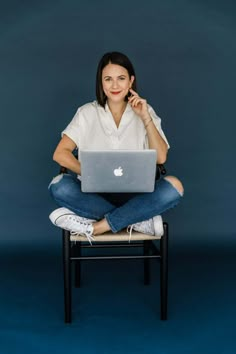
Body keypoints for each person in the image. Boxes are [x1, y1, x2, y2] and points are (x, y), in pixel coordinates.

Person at [48, 51, 184, 243]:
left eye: (121, 78)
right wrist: (90, 173)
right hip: (94, 194)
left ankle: (97, 226)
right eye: (108, 79)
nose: (115, 85)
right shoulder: (87, 112)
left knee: (174, 187)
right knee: (58, 186)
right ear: (101, 83)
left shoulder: (146, 110)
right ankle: (136, 220)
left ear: (131, 81)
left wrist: (145, 117)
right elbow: (60, 154)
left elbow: (161, 158)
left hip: (136, 196)